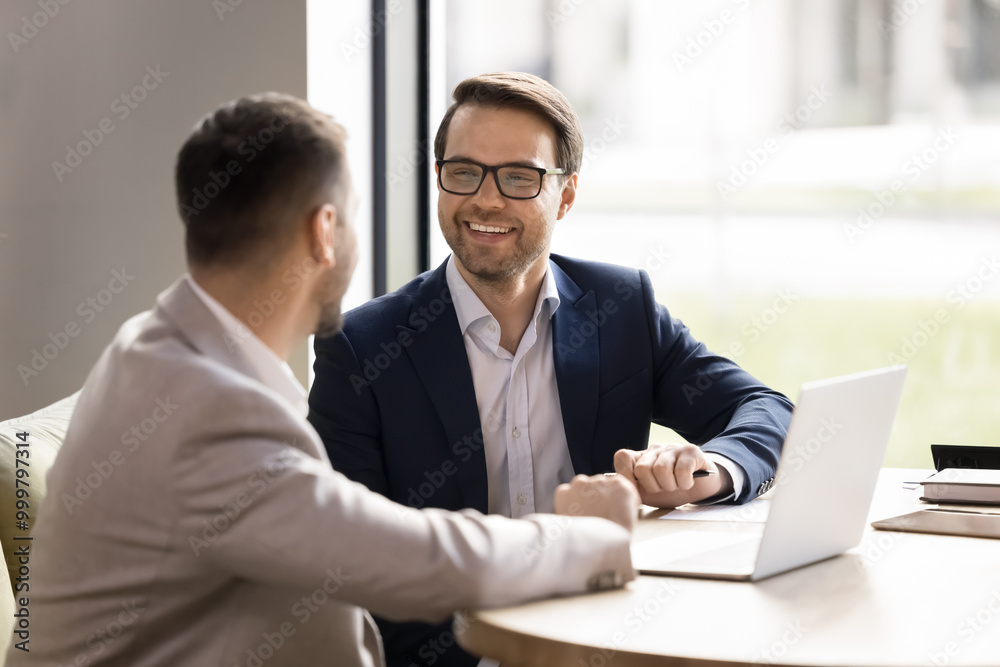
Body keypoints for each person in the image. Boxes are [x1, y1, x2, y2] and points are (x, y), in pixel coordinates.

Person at [8, 93, 640, 667]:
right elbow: (410, 560)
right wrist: (589, 534)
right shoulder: (204, 407)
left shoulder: (161, 346)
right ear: (324, 231)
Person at [308, 72, 796, 666]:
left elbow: (768, 410)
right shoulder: (361, 348)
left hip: (610, 639)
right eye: (464, 172)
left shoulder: (621, 308)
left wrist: (711, 471)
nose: (486, 199)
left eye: (519, 177)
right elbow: (353, 559)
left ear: (564, 196)